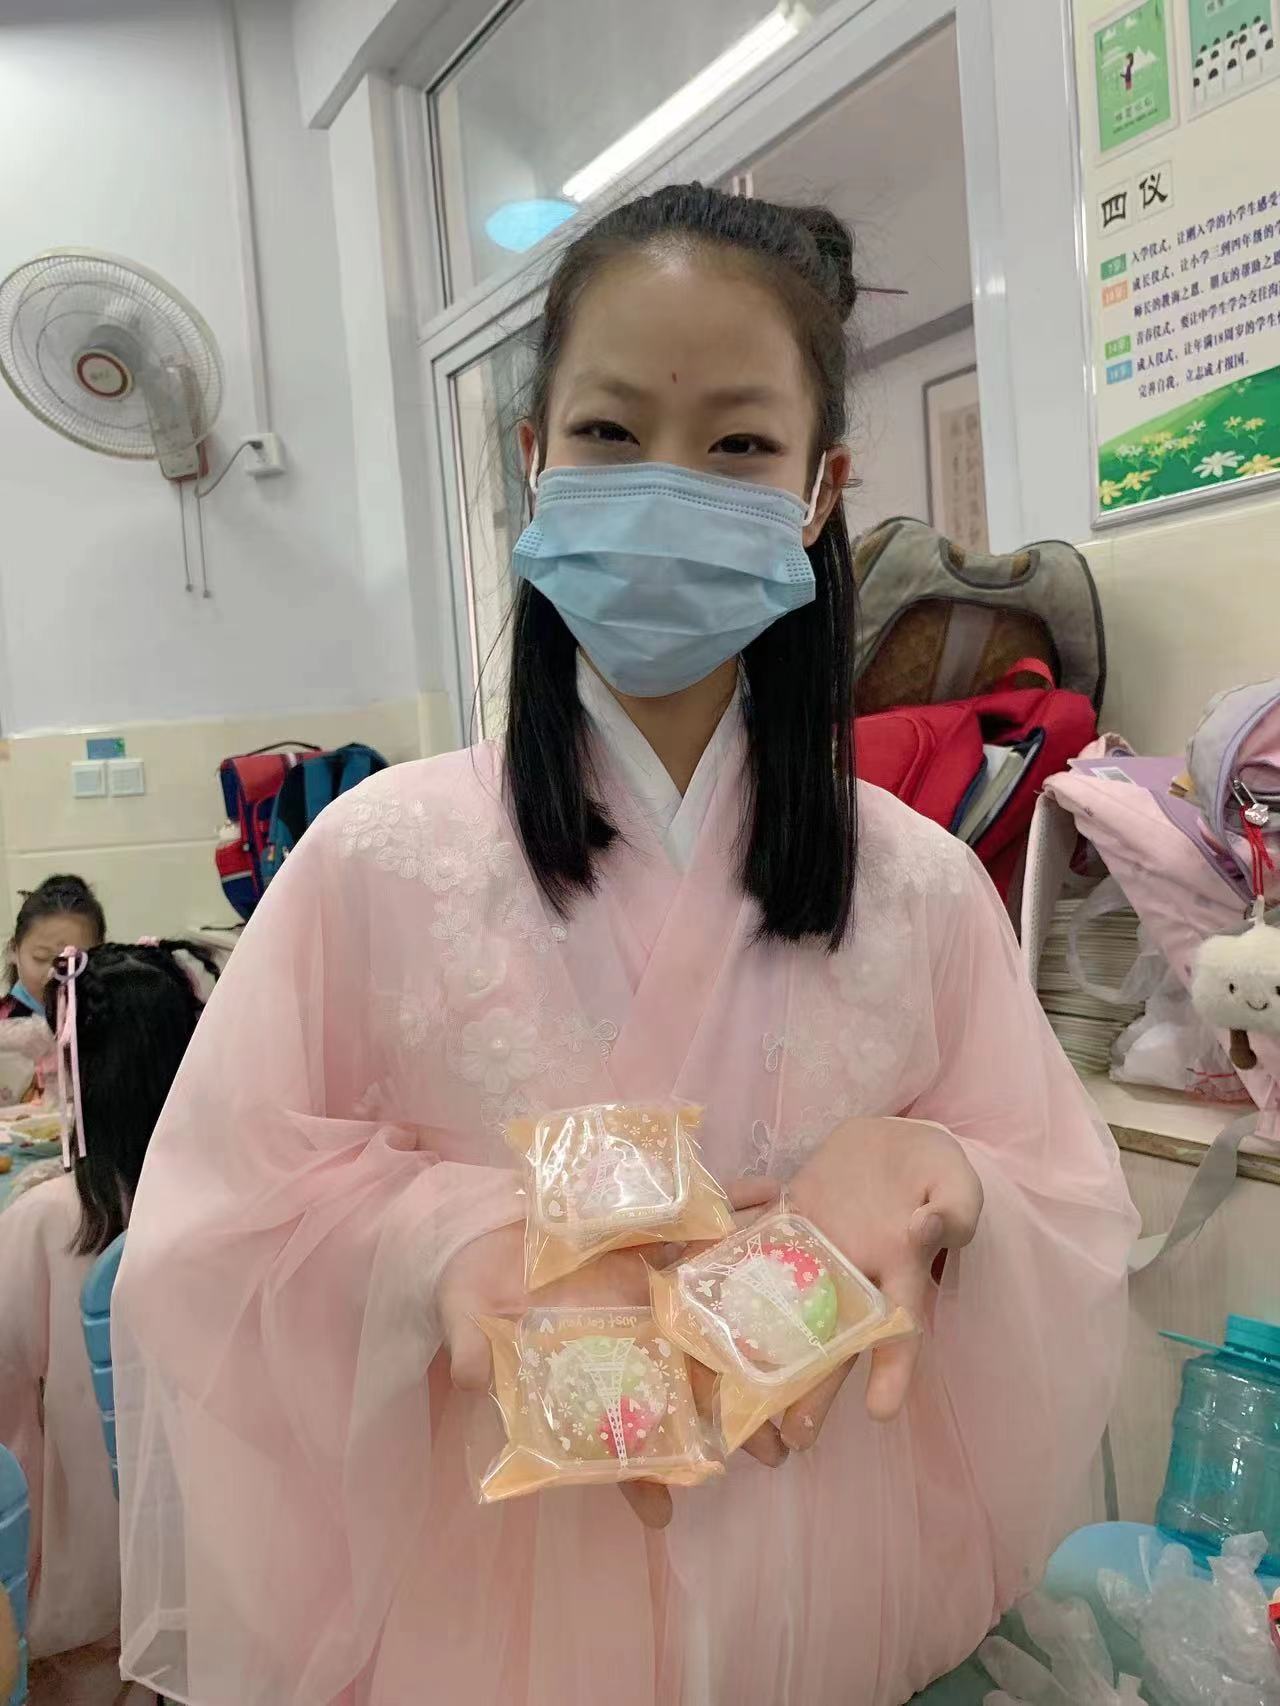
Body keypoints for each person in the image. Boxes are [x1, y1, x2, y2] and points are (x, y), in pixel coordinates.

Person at [112, 184, 1137, 1706]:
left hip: (826, 1579)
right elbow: (208, 1231)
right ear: (534, 458)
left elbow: (1067, 1201)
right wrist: (443, 1240)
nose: (666, 484)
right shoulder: (378, 859)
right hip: (495, 1595)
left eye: (736, 444)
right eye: (607, 431)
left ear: (820, 489)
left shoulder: (916, 885)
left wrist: (948, 1181)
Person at [0, 940, 216, 1706]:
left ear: (80, 1077)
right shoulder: (227, 1201)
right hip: (213, 1551)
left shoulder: (46, 1222)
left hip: (86, 1567)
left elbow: (7, 1404)